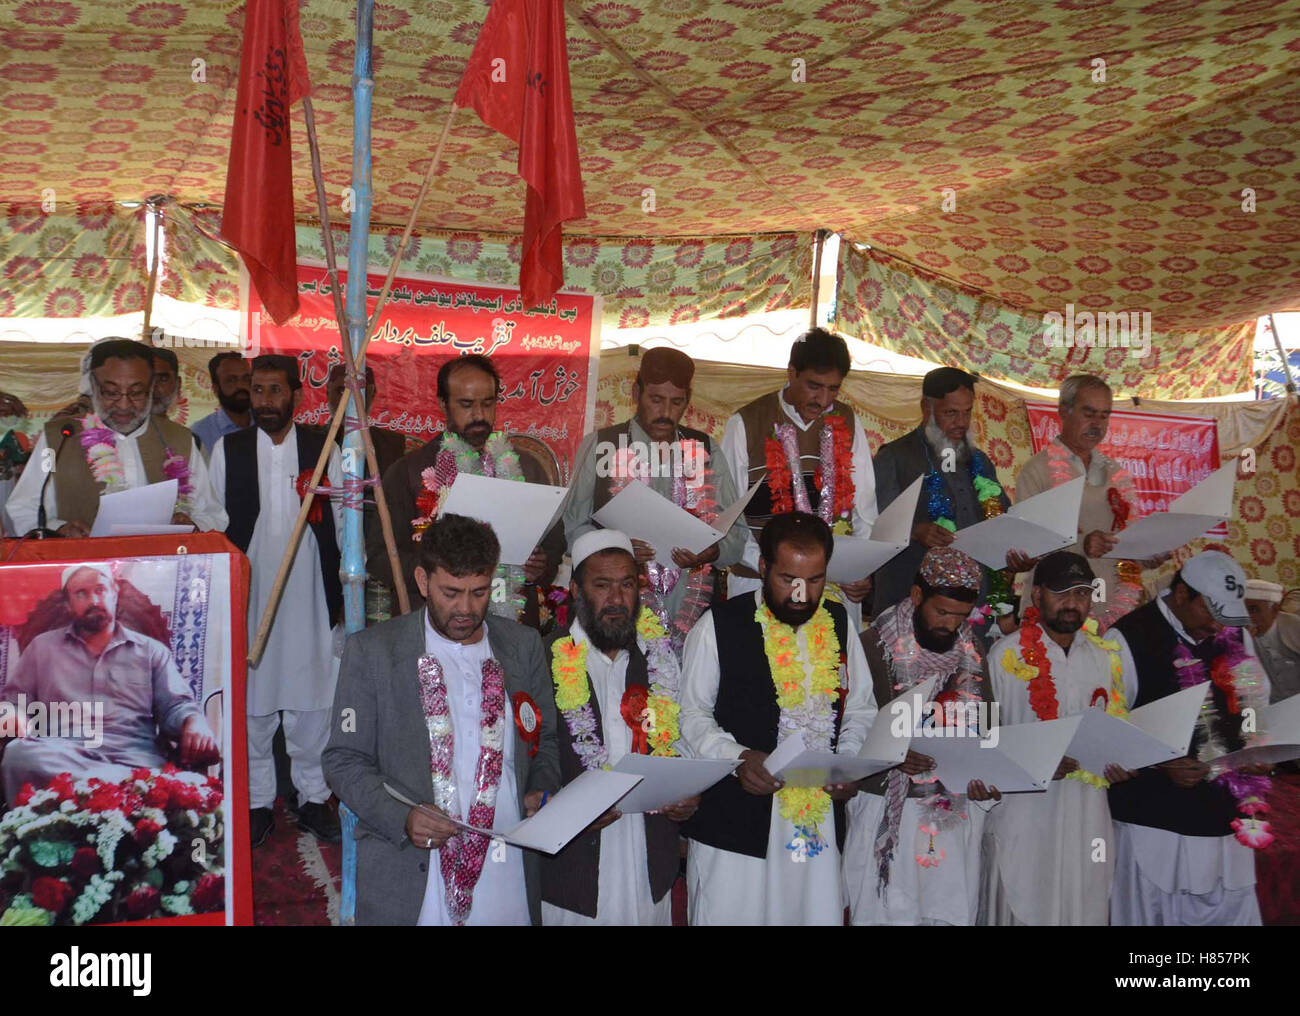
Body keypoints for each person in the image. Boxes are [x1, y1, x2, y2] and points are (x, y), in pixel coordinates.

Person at [323, 513, 561, 925]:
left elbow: (546, 742)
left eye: (479, 592)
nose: (466, 609)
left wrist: (541, 789)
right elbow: (343, 760)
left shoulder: (522, 646)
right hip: (415, 867)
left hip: (506, 861)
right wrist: (404, 818)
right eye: (451, 592)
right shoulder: (375, 653)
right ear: (422, 581)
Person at [679, 512, 877, 925]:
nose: (803, 594)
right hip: (735, 826)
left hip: (816, 824)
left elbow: (859, 708)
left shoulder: (839, 622)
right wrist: (737, 758)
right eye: (788, 579)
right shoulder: (719, 624)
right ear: (764, 568)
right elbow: (692, 714)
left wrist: (847, 764)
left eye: (816, 579)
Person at [209, 355, 344, 848]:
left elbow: (346, 521)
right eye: (257, 390)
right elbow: (212, 520)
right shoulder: (229, 449)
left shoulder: (324, 444)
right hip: (251, 594)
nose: (264, 400)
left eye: (274, 391)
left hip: (311, 591)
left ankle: (312, 796)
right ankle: (257, 801)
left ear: (295, 395)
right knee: (254, 704)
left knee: (313, 701)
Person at [540, 529, 699, 925]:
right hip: (573, 870)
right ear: (577, 590)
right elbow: (529, 762)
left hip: (648, 859)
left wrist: (687, 793)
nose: (616, 599)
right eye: (602, 585)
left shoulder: (660, 659)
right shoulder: (545, 658)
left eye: (627, 585)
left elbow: (682, 742)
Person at [1106, 550, 1272, 926]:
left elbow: (1254, 699)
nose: (1217, 627)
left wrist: (1256, 746)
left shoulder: (1233, 632)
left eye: (1225, 617)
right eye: (1210, 613)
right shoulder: (1127, 638)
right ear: (1181, 594)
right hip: (1153, 820)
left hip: (1224, 811)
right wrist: (1159, 763)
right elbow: (1108, 729)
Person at [843, 547, 1000, 926]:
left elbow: (989, 728)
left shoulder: (975, 651)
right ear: (916, 596)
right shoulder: (871, 647)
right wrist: (891, 755)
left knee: (945, 914)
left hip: (952, 813)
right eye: (942, 612)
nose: (950, 625)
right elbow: (847, 735)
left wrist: (990, 775)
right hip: (886, 809)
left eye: (961, 616)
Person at [981, 551, 1140, 925]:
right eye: (1062, 592)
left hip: (1088, 814)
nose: (1073, 603)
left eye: (1082, 593)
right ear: (1036, 596)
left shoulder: (1105, 658)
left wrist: (1123, 763)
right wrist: (1033, 760)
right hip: (1025, 816)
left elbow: (1118, 729)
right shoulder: (1004, 655)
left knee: (1084, 904)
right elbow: (985, 739)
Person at [562, 347, 749, 655]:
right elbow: (572, 530)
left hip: (692, 611)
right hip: (617, 613)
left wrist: (713, 550)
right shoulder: (602, 445)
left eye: (676, 402)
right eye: (656, 399)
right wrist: (616, 546)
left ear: (688, 400)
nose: (665, 412)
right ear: (636, 392)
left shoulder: (705, 449)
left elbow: (736, 536)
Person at [0, 563, 219, 804]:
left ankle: (102, 792)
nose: (93, 599)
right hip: (62, 755)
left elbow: (176, 706)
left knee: (162, 780)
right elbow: (14, 702)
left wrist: (194, 722)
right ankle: (113, 791)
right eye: (81, 593)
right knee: (17, 755)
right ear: (67, 604)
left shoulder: (150, 651)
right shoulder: (42, 648)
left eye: (100, 590)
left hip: (133, 758)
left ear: (115, 593)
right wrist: (14, 716)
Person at [370, 354, 563, 626]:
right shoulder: (409, 472)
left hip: (512, 624)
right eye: (466, 405)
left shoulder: (528, 468)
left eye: (488, 403)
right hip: (432, 626)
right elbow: (380, 556)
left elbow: (554, 545)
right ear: (443, 404)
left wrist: (539, 567)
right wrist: (438, 574)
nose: (479, 415)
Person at [722, 328, 878, 630]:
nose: (823, 400)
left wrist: (858, 568)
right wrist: (778, 570)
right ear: (791, 373)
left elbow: (865, 509)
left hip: (833, 582)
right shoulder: (746, 423)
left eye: (833, 389)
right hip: (759, 580)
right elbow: (730, 518)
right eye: (814, 386)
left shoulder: (847, 420)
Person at [5, 339, 227, 537]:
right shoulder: (56, 441)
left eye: (137, 392)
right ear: (92, 386)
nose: (124, 404)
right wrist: (58, 529)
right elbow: (23, 508)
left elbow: (211, 513)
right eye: (111, 392)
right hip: (82, 573)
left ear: (152, 389)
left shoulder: (180, 440)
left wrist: (192, 525)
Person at [871, 367, 1027, 624]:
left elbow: (1003, 521)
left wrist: (1015, 555)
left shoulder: (981, 462)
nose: (961, 422)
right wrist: (915, 531)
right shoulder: (896, 457)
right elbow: (874, 526)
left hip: (975, 607)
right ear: (926, 407)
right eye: (951, 413)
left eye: (967, 412)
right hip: (912, 607)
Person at [1013, 374, 1166, 631]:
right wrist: (1082, 546)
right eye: (1089, 413)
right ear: (1064, 411)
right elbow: (1027, 547)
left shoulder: (1116, 473)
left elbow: (1126, 545)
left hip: (1114, 608)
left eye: (1104, 415)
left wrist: (1148, 553)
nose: (1097, 424)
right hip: (1058, 613)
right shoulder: (1037, 471)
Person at [326, 362, 406, 481]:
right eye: (342, 391)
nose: (350, 401)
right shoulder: (311, 442)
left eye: (360, 393)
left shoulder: (395, 445)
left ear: (372, 395)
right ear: (328, 393)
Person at [1245, 579, 1300, 703]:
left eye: (1253, 610)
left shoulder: (1294, 625)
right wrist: (1245, 644)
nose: (1247, 617)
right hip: (1271, 707)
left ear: (1275, 610)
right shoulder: (1238, 635)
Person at [191, 353, 252, 457]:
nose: (241, 386)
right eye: (231, 380)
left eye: (246, 379)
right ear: (215, 388)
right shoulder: (199, 433)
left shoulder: (266, 425)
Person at [149, 346, 181, 419]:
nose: (153, 388)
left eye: (163, 379)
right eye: (148, 379)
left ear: (178, 384)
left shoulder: (183, 430)